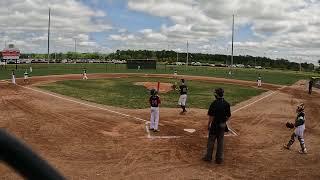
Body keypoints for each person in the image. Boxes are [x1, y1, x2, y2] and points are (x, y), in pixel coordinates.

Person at [203, 88, 231, 164]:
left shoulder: (214, 103)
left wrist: (208, 124)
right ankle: (219, 159)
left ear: (217, 95)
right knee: (220, 142)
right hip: (222, 126)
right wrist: (224, 122)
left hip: (214, 125)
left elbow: (211, 116)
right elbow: (228, 116)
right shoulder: (226, 104)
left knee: (211, 141)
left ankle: (208, 157)